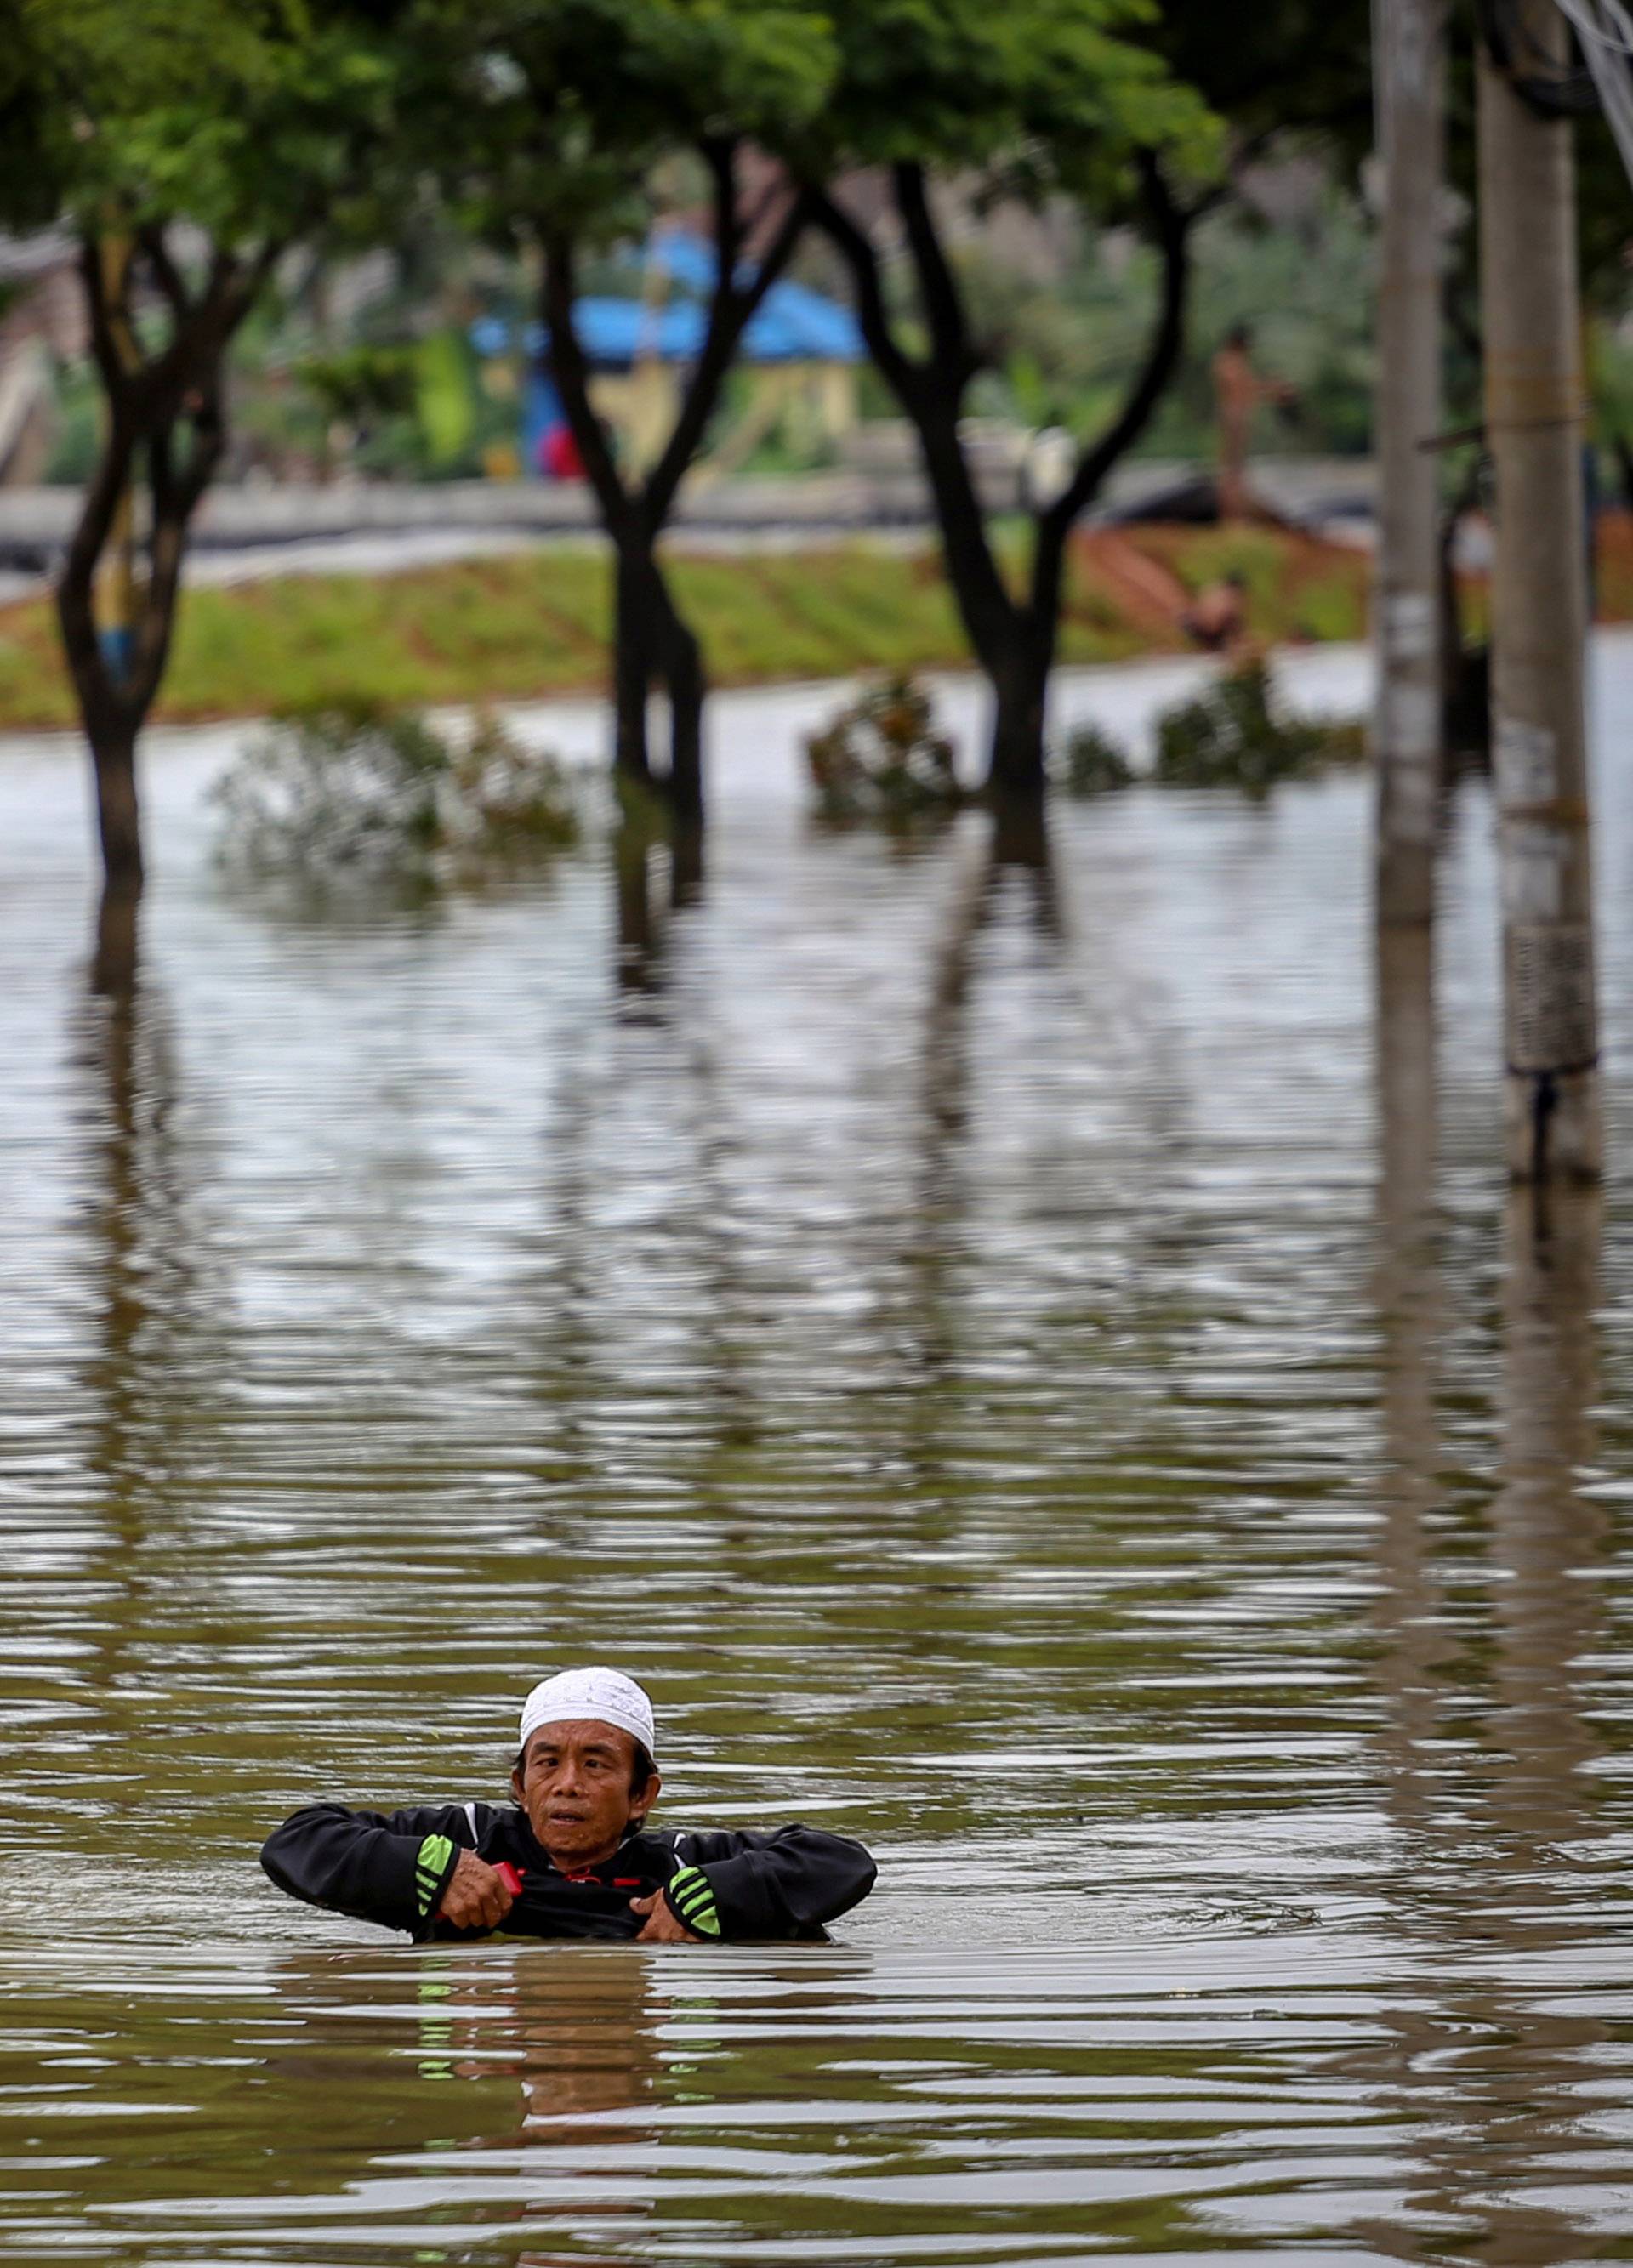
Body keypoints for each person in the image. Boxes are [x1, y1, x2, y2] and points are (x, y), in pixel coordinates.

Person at [260, 1666, 877, 1944]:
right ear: (519, 1783)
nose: (568, 1784)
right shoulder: (466, 1838)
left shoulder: (687, 1862)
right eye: (548, 1761)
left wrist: (720, 1896)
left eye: (598, 1763)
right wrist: (426, 1870)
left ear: (643, 1795)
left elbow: (841, 1862)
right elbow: (298, 1840)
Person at [1211, 323, 1295, 523]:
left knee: (1236, 468)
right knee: (1232, 469)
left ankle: (1235, 513)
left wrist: (1274, 389)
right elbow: (1242, 388)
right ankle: (1231, 516)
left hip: (1239, 415)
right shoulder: (1228, 361)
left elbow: (1248, 389)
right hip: (1234, 416)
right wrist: (1273, 388)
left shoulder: (1234, 361)